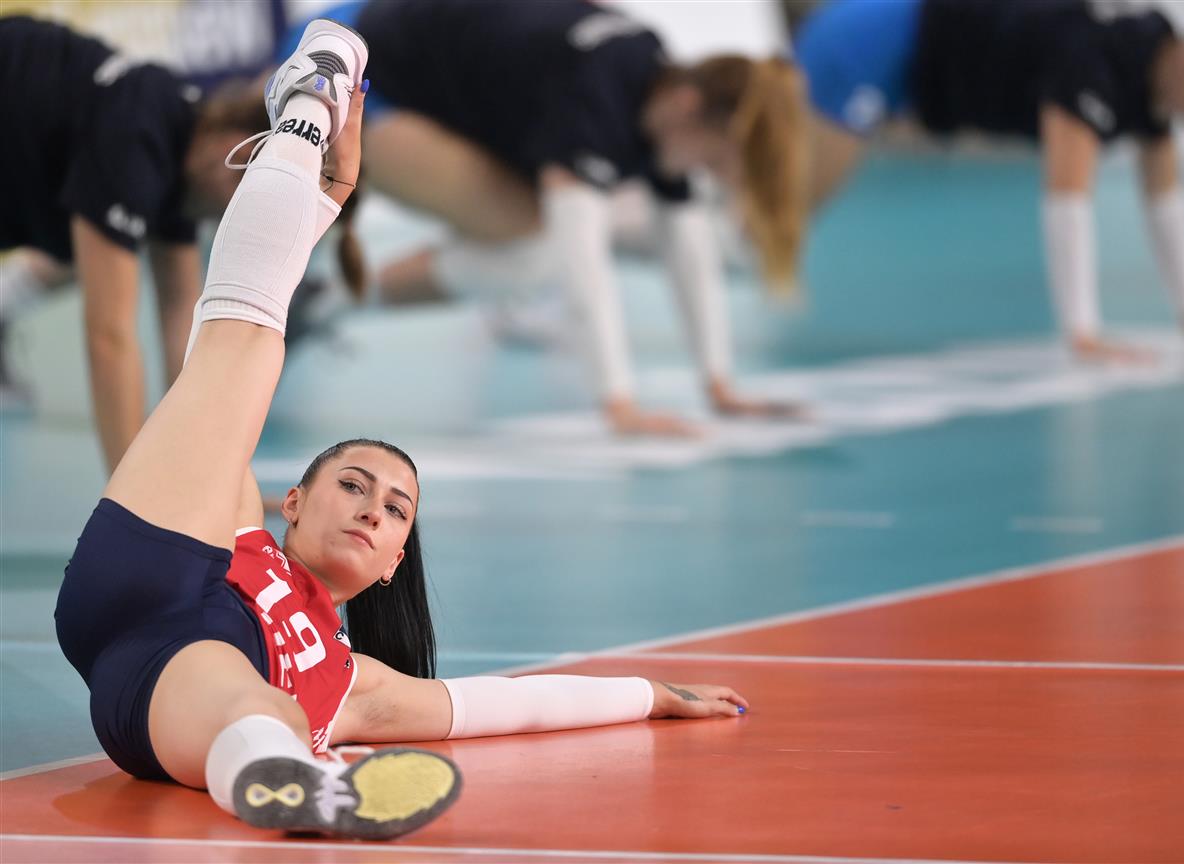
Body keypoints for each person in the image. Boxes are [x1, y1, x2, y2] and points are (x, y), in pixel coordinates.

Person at [54, 18, 748, 841]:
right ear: (293, 502)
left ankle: (297, 786)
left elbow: (510, 705)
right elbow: (228, 348)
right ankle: (305, 107)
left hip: (171, 689)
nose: (371, 510)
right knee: (243, 349)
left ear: (393, 564)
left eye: (395, 510)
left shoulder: (354, 684)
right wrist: (323, 200)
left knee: (256, 704)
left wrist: (650, 697)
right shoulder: (237, 523)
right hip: (161, 563)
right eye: (352, 485)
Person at [279, 0, 810, 437]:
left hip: (388, 48)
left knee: (537, 242)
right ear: (688, 105)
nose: (704, 174)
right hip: (345, 59)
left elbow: (687, 238)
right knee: (545, 248)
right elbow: (583, 267)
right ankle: (326, 299)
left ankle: (326, 299)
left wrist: (718, 384)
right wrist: (619, 404)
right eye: (712, 159)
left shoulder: (655, 80)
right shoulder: (596, 93)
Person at [795, 0, 1184, 361]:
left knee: (786, 210)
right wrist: (1082, 333)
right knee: (791, 207)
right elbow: (1068, 199)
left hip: (903, 66)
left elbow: (1166, 202)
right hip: (871, 39)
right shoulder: (1094, 65)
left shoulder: (1151, 71)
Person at [0, 16, 355, 468]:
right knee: (106, 258)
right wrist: (130, 494)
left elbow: (186, 339)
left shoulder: (181, 167)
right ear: (237, 145)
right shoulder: (138, 141)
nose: (242, 207)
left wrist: (214, 479)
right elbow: (109, 337)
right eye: (247, 182)